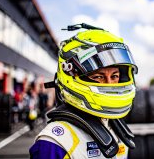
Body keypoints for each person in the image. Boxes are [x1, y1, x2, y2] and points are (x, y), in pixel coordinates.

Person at [29, 25, 138, 159]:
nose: (110, 84)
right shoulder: (54, 142)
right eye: (99, 77)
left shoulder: (116, 128)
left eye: (114, 76)